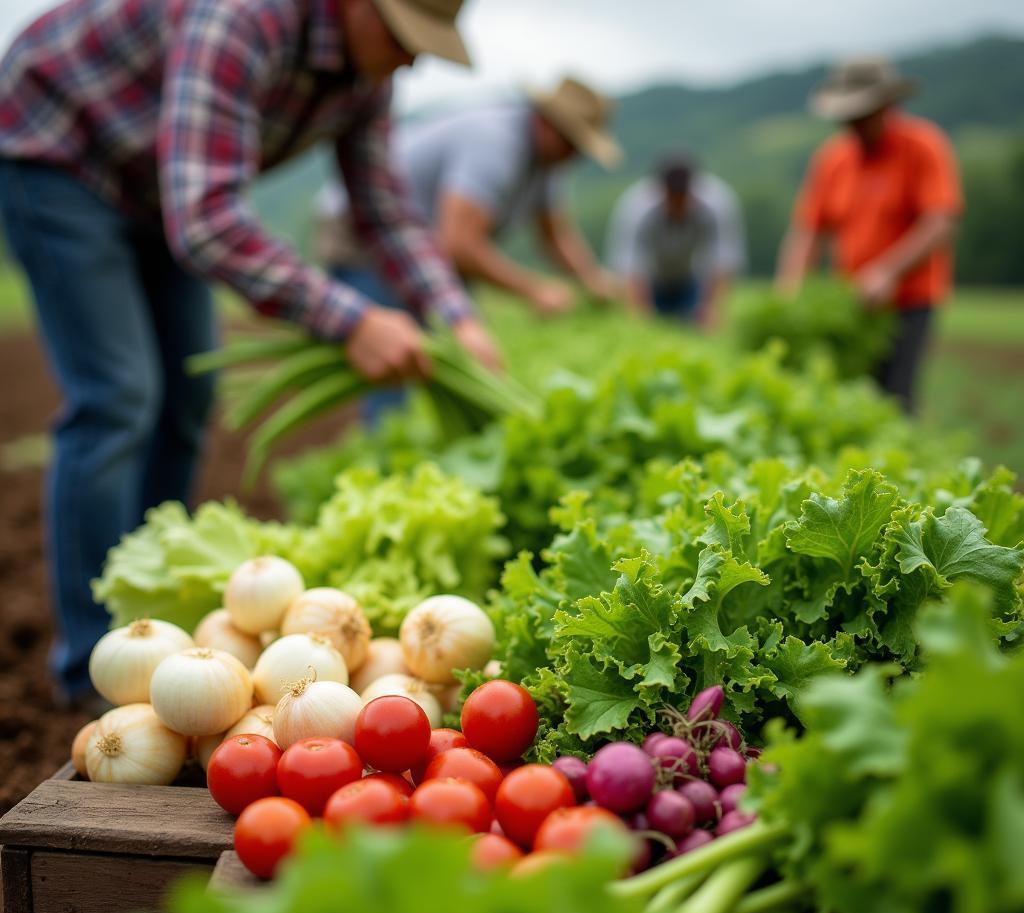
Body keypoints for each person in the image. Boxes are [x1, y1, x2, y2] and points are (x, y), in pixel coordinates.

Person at [0, 0, 499, 708]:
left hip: (159, 189)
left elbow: (384, 211)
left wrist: (457, 317)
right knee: (118, 398)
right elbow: (204, 221)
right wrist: (350, 319)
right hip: (60, 150)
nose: (412, 57)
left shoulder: (368, 73)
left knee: (188, 398)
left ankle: (151, 636)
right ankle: (89, 667)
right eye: (403, 34)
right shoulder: (244, 16)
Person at [314, 76, 623, 319]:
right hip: (366, 229)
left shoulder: (548, 163)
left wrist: (592, 280)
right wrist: (534, 290)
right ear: (546, 123)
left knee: (442, 348)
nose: (576, 157)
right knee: (389, 354)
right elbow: (459, 245)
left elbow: (555, 235)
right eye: (572, 143)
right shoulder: (496, 144)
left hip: (421, 247)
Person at [776, 56, 962, 411]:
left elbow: (941, 221)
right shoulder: (833, 159)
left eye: (863, 114)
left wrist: (887, 272)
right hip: (852, 303)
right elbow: (807, 231)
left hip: (910, 301)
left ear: (888, 106)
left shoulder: (923, 147)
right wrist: (790, 289)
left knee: (895, 397)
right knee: (850, 396)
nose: (854, 124)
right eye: (848, 117)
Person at [605, 153, 745, 330]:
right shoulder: (636, 208)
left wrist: (712, 309)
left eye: (683, 196)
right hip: (652, 280)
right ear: (661, 190)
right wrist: (639, 319)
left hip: (692, 279)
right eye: (672, 197)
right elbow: (631, 269)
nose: (678, 204)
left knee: (696, 329)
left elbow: (723, 263)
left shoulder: (717, 204)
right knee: (648, 325)